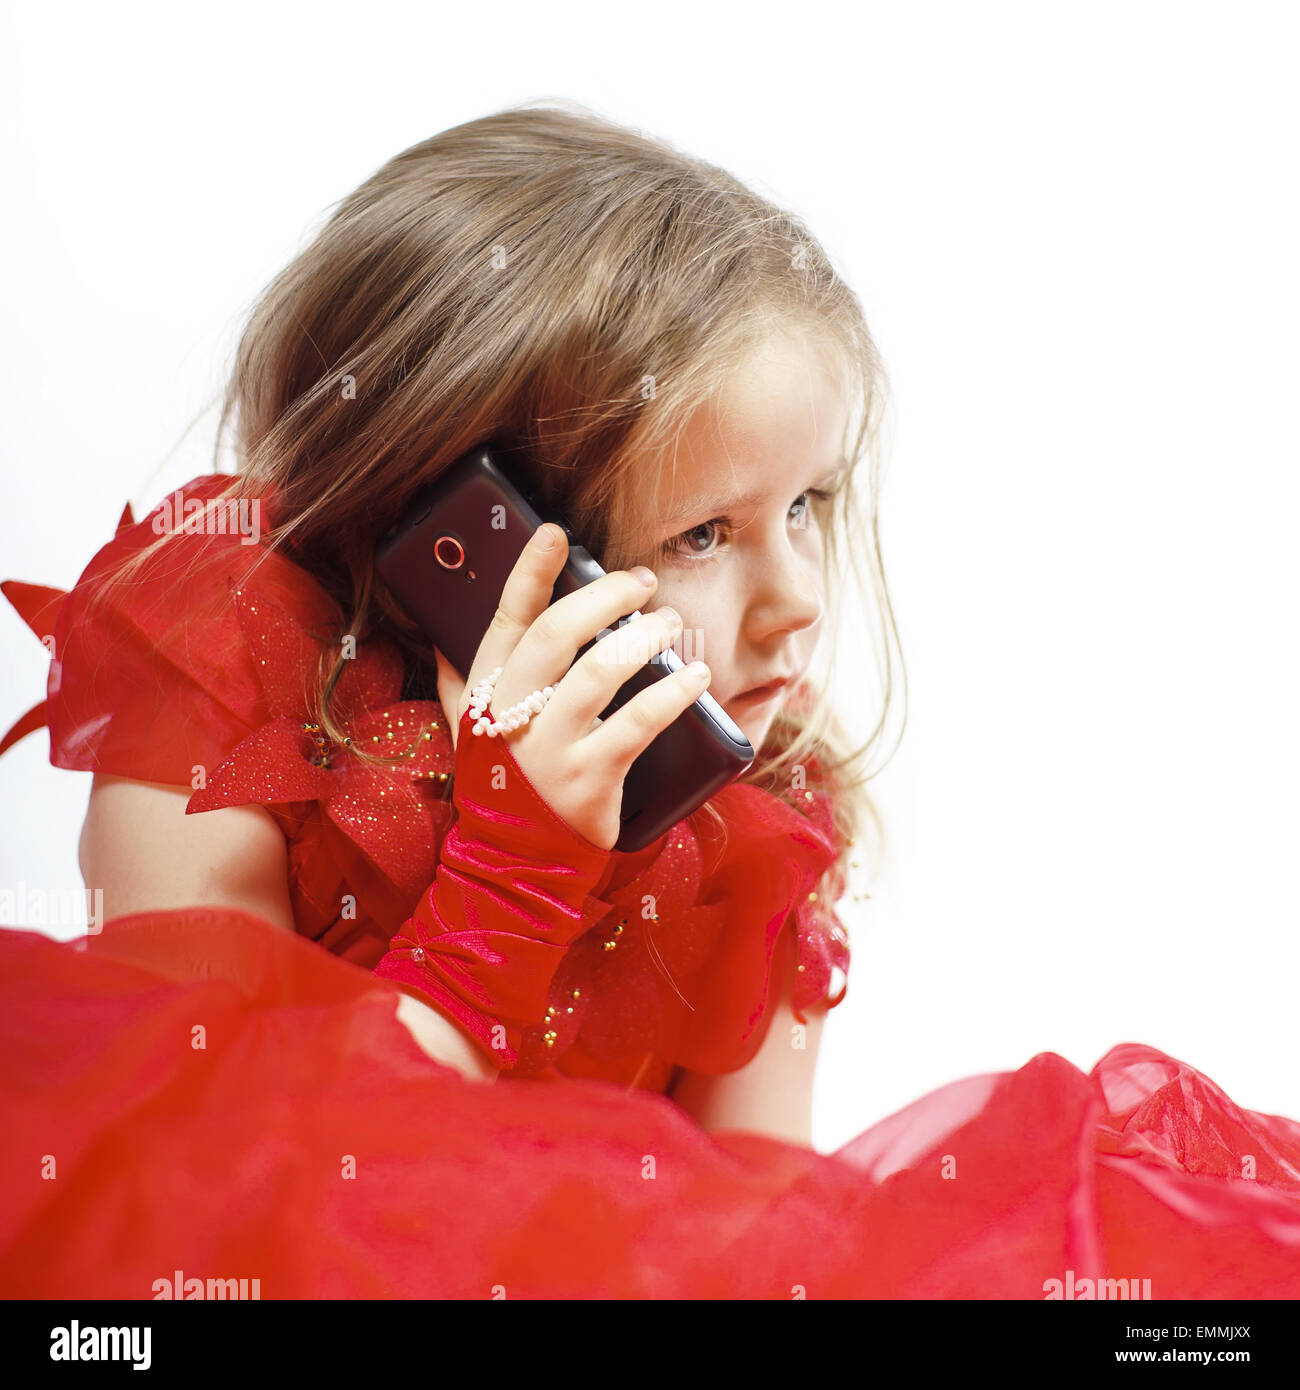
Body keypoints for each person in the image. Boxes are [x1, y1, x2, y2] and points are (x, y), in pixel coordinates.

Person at [2, 103, 1299, 1300]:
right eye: (702, 534)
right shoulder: (230, 688)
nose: (794, 598)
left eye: (806, 506)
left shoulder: (748, 811)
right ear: (475, 547)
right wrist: (506, 886)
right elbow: (202, 1222)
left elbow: (756, 1243)